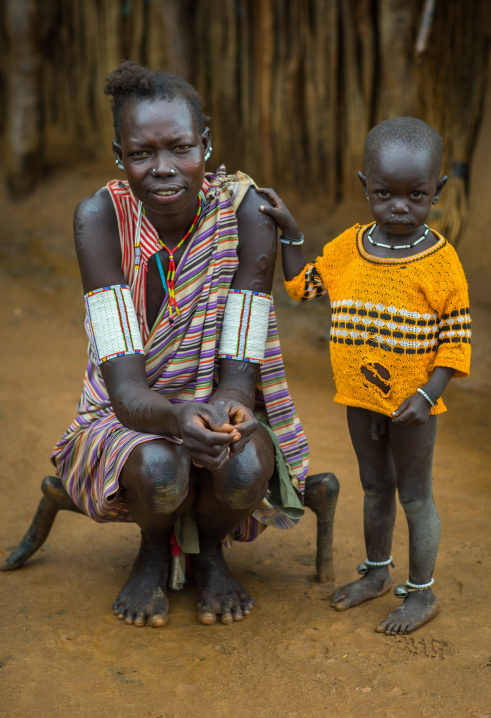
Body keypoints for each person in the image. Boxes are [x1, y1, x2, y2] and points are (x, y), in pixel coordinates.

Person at [50, 61, 309, 628]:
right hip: (126, 414)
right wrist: (177, 416)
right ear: (120, 156)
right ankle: (151, 550)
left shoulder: (246, 216)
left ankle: (211, 550)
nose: (163, 169)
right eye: (142, 154)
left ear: (206, 144)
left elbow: (242, 369)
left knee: (242, 467)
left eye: (181, 148)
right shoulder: (101, 220)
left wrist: (229, 410)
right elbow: (123, 388)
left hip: (215, 399)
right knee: (161, 469)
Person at [257, 116, 471, 635]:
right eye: (385, 194)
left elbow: (456, 341)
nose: (399, 206)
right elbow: (301, 287)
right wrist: (292, 233)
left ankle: (421, 593)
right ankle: (376, 573)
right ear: (365, 186)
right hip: (359, 398)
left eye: (416, 195)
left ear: (437, 191)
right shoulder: (348, 249)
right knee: (375, 488)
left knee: (415, 494)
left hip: (414, 406)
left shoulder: (442, 263)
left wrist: (428, 393)